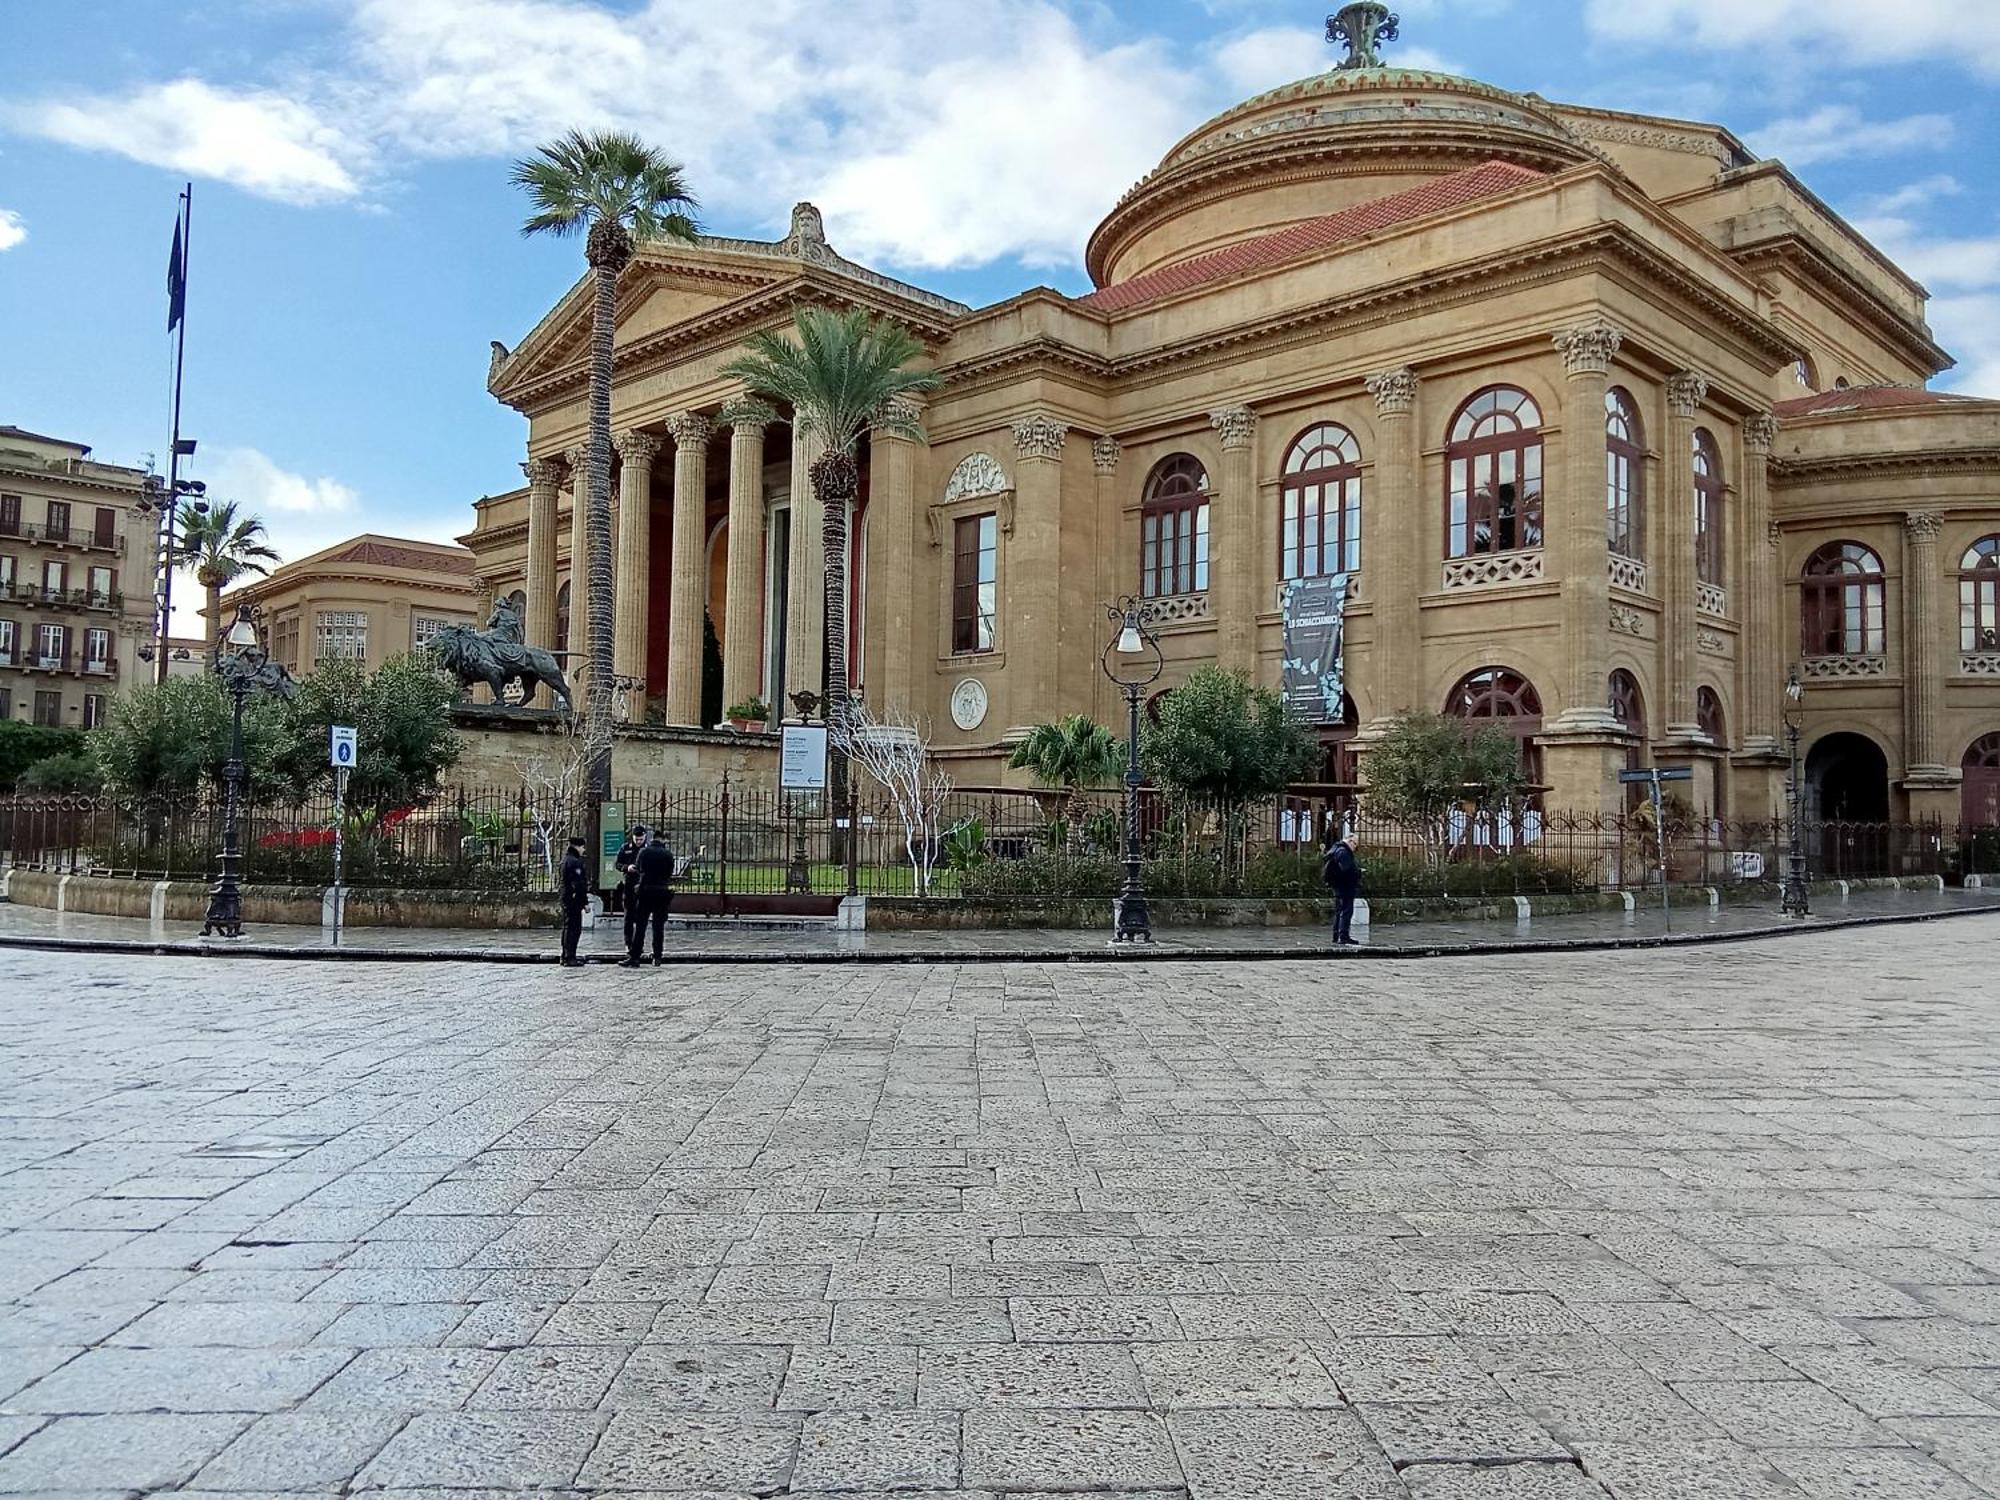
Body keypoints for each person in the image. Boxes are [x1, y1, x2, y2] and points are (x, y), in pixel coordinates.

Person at [623, 826, 678, 967]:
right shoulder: (668, 855)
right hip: (661, 892)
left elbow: (638, 869)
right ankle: (657, 956)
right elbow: (670, 873)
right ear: (663, 840)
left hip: (645, 891)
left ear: (652, 839)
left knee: (640, 925)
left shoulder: (644, 852)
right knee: (658, 926)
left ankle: (635, 957)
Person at [1322, 828, 1362, 946]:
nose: (1355, 847)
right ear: (1349, 841)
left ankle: (1338, 936)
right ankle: (1343, 936)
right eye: (1355, 844)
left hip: (1339, 885)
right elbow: (1346, 869)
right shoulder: (1343, 851)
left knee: (1340, 910)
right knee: (1346, 910)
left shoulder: (1336, 849)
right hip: (1344, 886)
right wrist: (1358, 872)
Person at [614, 823, 649, 954]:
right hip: (629, 885)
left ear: (645, 837)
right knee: (628, 917)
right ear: (633, 837)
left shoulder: (647, 849)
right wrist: (626, 868)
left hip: (643, 885)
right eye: (636, 839)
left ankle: (639, 944)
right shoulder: (625, 848)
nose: (639, 842)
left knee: (641, 917)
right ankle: (628, 943)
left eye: (641, 839)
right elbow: (617, 864)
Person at [558, 836, 591, 966]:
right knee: (573, 928)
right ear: (577, 847)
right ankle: (570, 956)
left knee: (567, 927)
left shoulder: (566, 860)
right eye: (583, 847)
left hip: (566, 897)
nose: (583, 850)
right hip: (573, 899)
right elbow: (579, 884)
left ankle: (565, 955)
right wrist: (585, 902)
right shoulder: (574, 862)